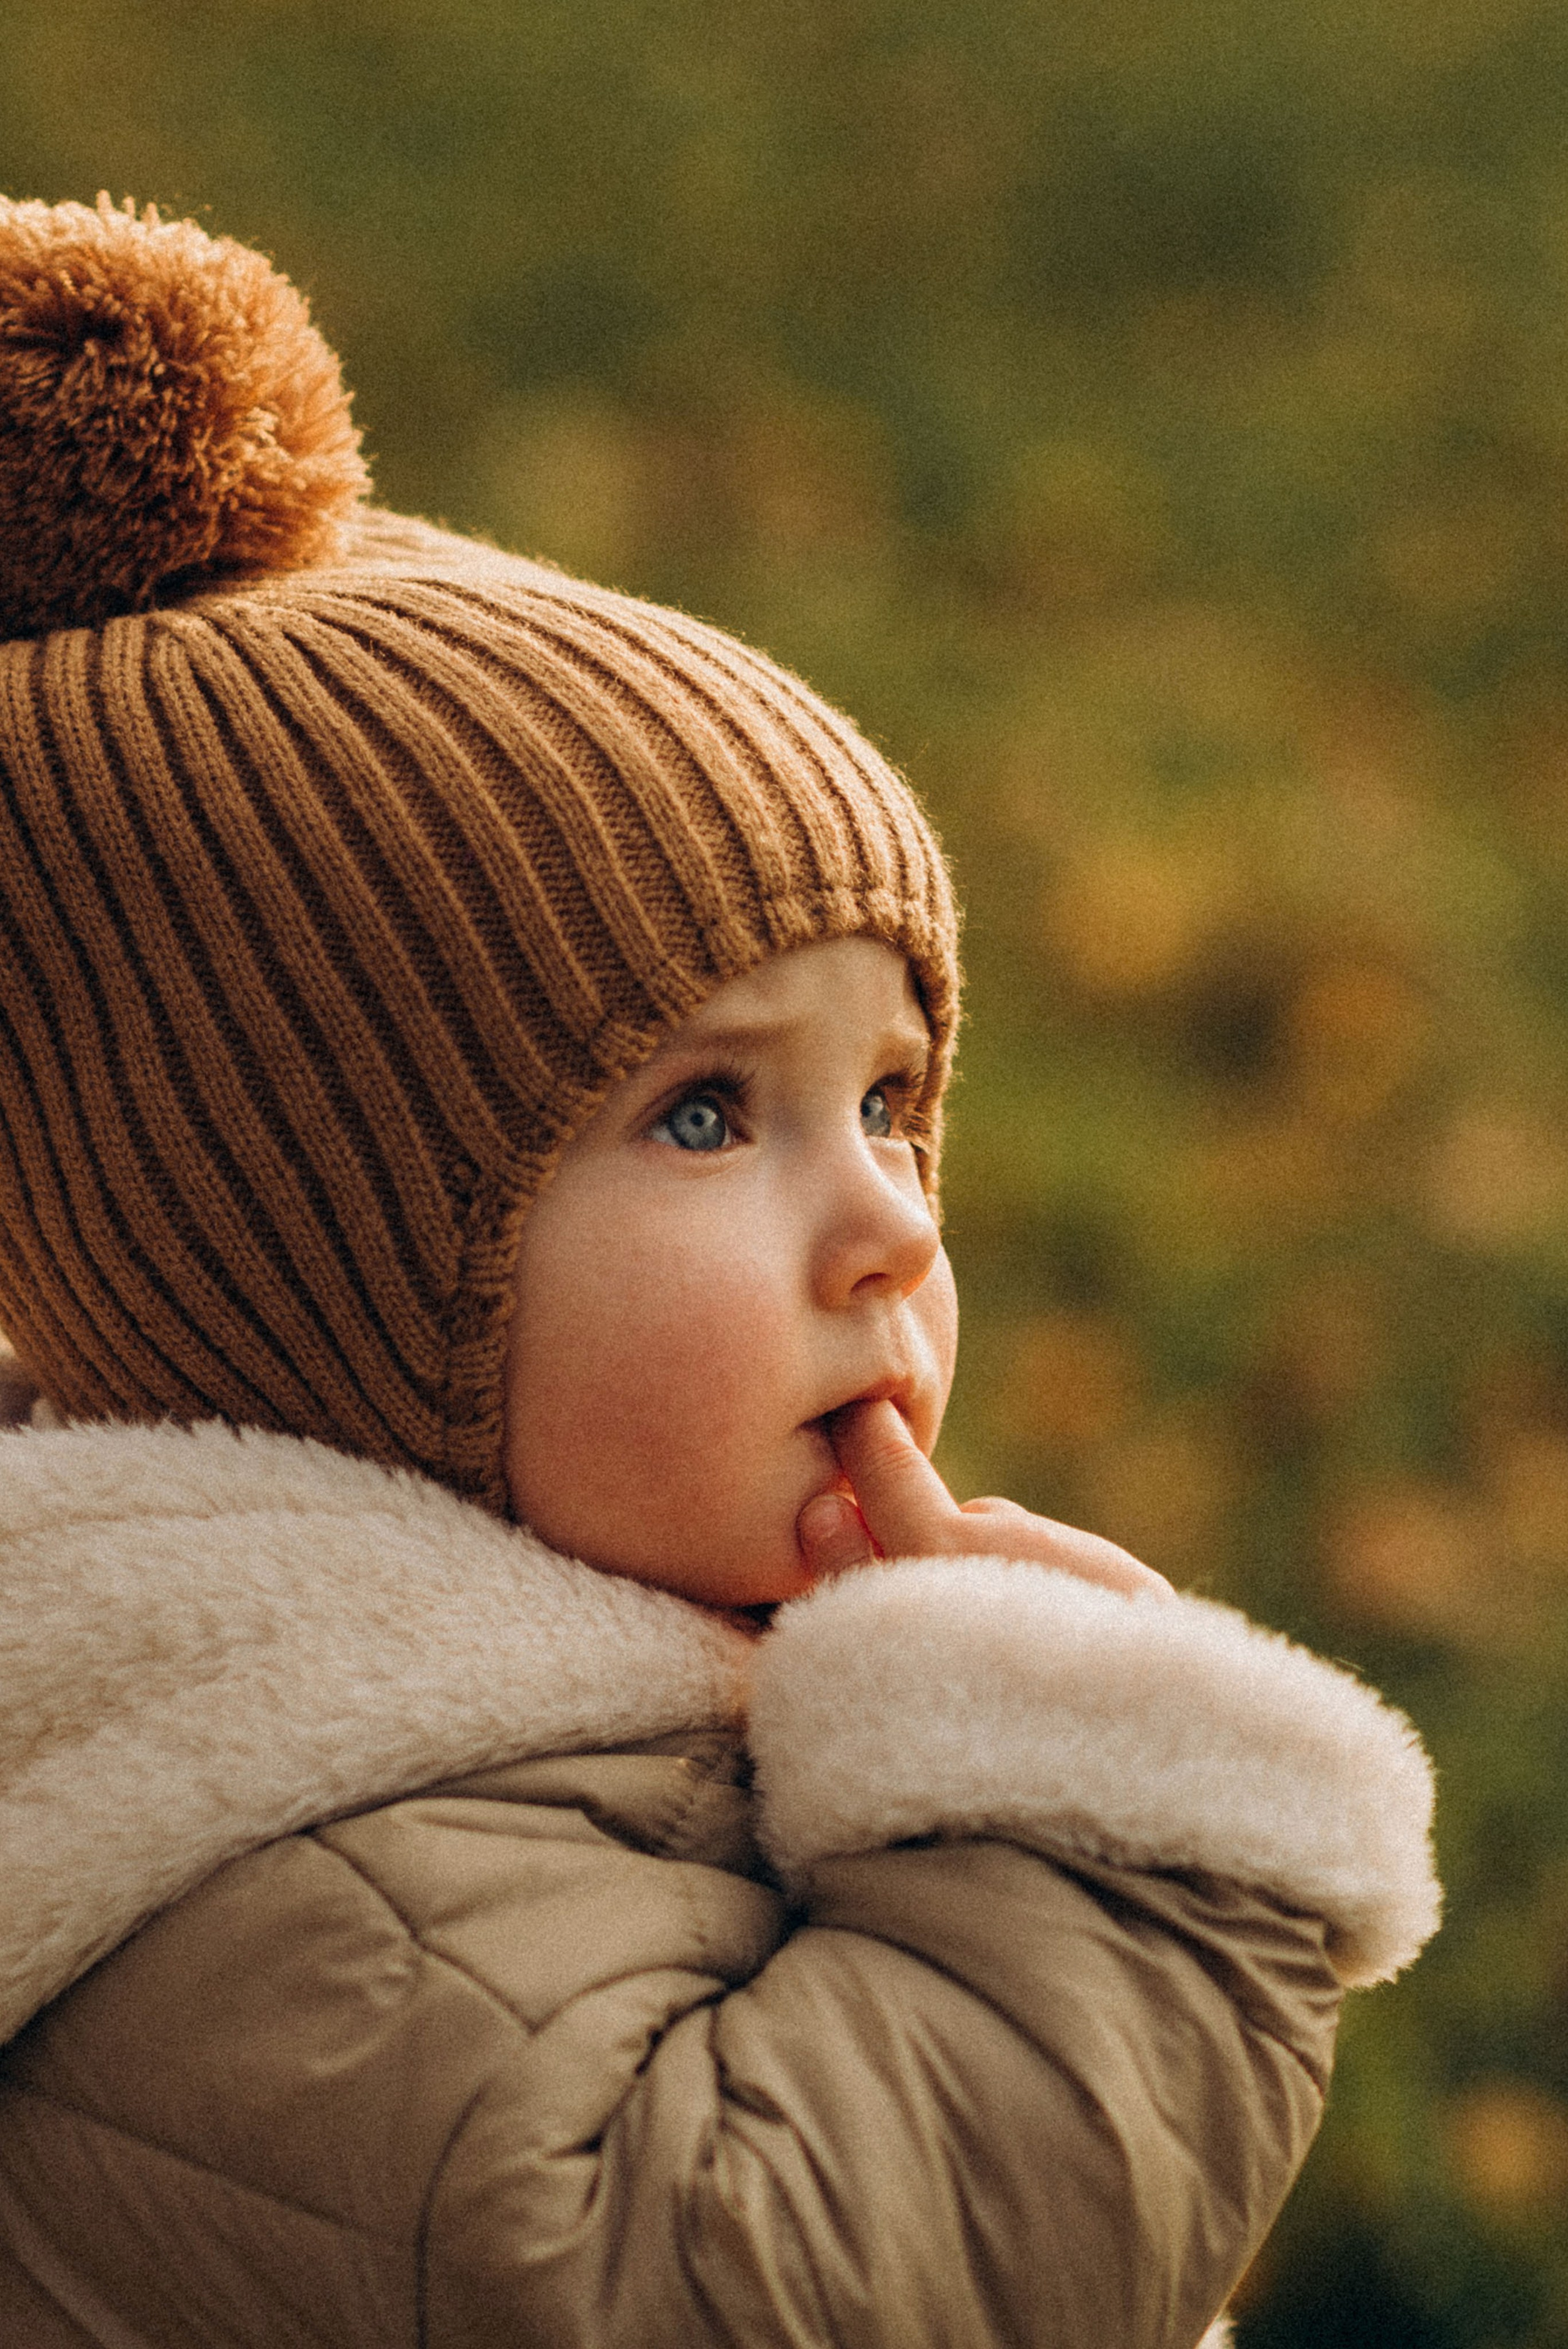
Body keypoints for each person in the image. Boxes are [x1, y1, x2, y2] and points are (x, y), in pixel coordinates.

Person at [0, 194, 1439, 2349]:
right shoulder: (302, 1880)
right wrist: (1087, 1831)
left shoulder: (426, 1688)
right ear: (315, 1275)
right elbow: (777, 2292)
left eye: (887, 1101)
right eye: (706, 1113)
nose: (896, 1223)